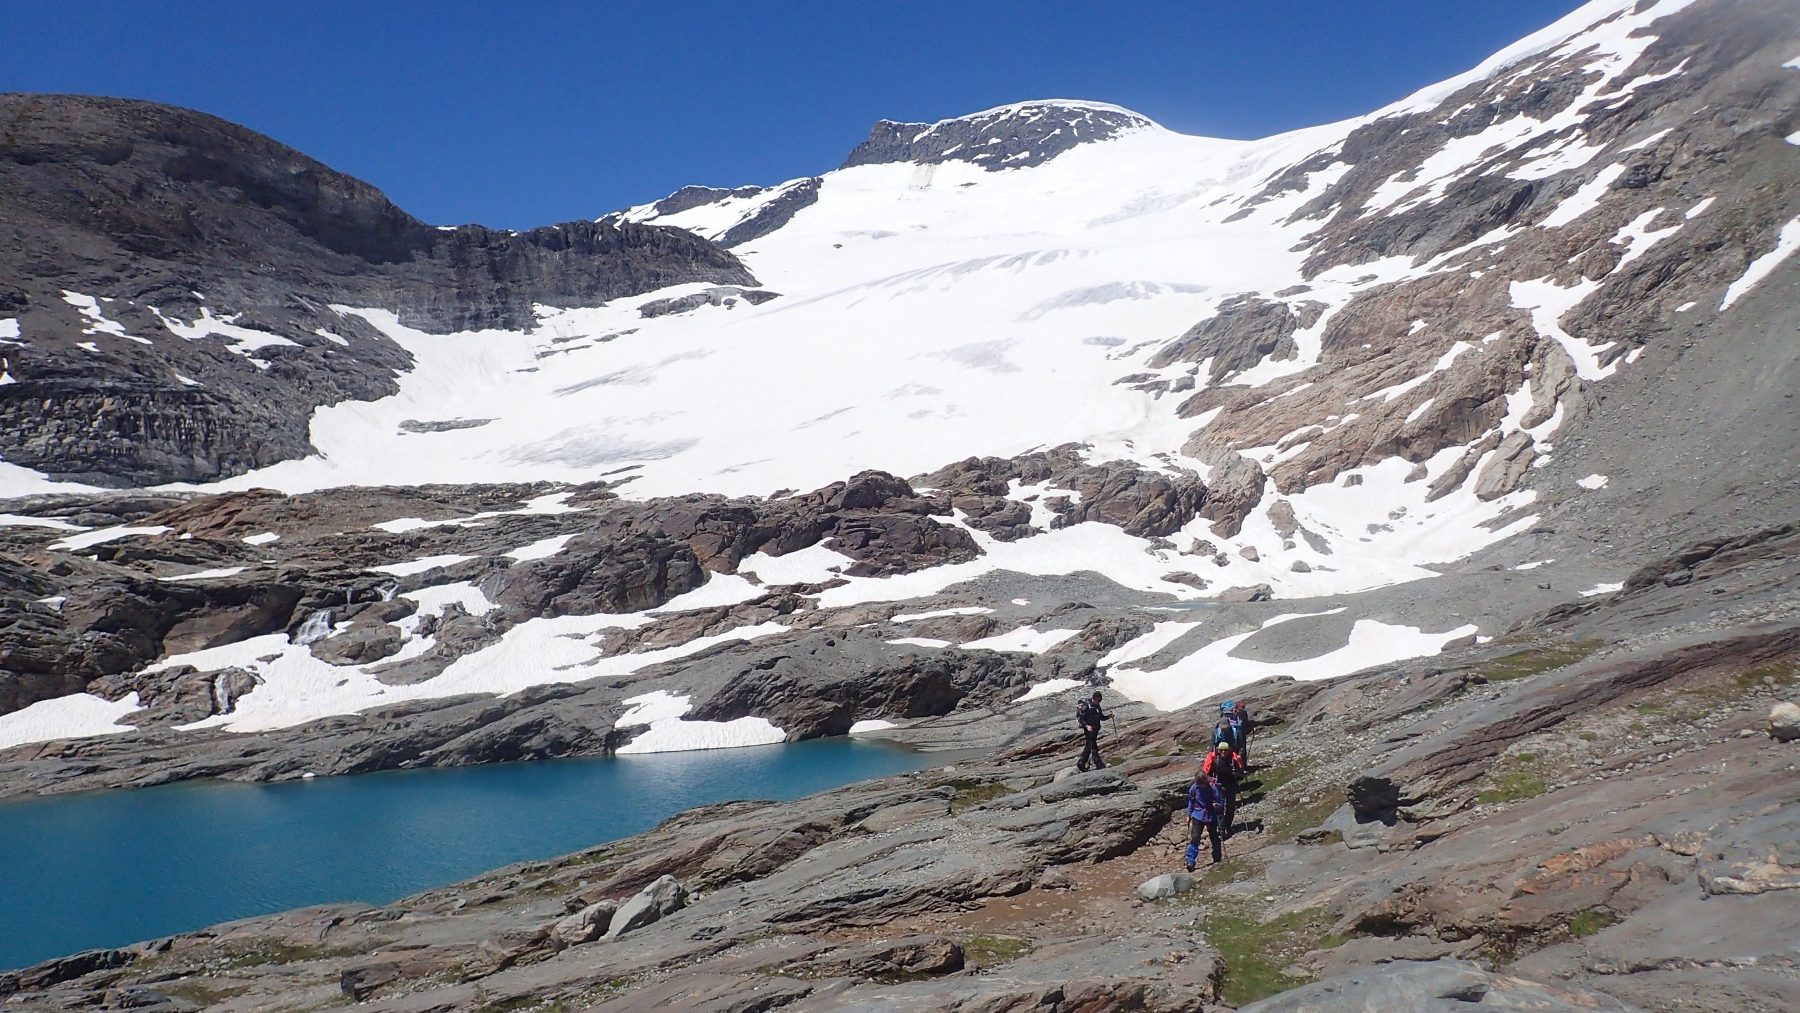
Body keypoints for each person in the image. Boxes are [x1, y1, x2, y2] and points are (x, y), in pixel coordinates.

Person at [1183, 770, 1225, 870]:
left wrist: (1217, 806)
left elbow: (1220, 803)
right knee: (1195, 837)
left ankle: (1217, 857)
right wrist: (1189, 815)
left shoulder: (1213, 788)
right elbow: (1191, 802)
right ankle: (1190, 861)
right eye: (1200, 784)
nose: (1202, 785)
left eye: (1203, 783)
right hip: (1198, 815)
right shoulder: (1193, 788)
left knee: (1214, 836)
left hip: (1211, 815)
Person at [1203, 739, 1245, 834]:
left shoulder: (1233, 760)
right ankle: (1221, 828)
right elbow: (1208, 774)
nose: (1223, 752)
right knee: (1219, 807)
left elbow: (1241, 774)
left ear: (1228, 750)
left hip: (1231, 786)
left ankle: (1227, 826)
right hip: (1218, 786)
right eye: (1221, 750)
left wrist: (1236, 775)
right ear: (1218, 750)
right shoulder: (1214, 761)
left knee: (1230, 807)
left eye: (1225, 750)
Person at [1075, 690, 1110, 772]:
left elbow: (1101, 717)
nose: (1099, 702)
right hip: (1089, 730)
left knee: (1089, 746)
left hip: (1095, 729)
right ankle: (1098, 765)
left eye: (1100, 700)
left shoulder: (1097, 707)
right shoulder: (1086, 706)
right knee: (1092, 746)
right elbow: (1081, 719)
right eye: (1098, 700)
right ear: (1094, 699)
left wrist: (1108, 716)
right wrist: (1087, 726)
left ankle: (1082, 763)